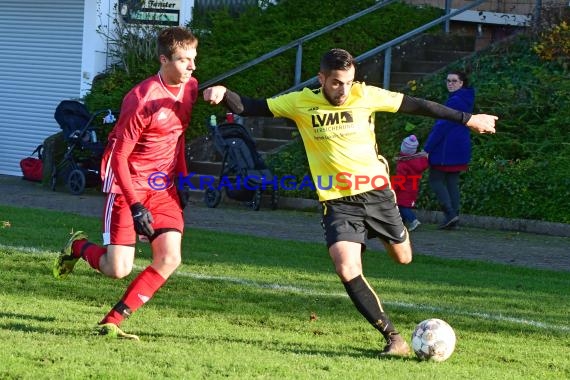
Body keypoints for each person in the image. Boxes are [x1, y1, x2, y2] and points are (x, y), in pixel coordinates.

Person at [203, 48, 497, 357]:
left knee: (403, 258)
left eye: (348, 82)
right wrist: (224, 93)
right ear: (321, 78)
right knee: (346, 267)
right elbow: (250, 107)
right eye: (336, 83)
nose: (343, 90)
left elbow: (417, 105)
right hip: (338, 200)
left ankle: (383, 226)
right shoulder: (301, 102)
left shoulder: (365, 94)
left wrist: (467, 119)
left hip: (377, 194)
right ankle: (393, 338)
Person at [52, 26, 198, 340]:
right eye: (184, 60)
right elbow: (119, 157)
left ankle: (111, 321)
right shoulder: (140, 99)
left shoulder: (191, 88)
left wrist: (182, 179)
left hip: (164, 187)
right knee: (116, 269)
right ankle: (77, 246)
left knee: (170, 258)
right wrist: (134, 205)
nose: (191, 67)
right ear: (163, 59)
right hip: (127, 184)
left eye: (193, 59)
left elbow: (178, 135)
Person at [424, 71, 475, 229]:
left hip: (446, 149)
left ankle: (450, 214)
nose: (450, 83)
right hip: (460, 147)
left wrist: (427, 149)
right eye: (448, 81)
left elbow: (441, 127)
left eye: (454, 81)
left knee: (435, 180)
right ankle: (454, 218)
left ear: (461, 83)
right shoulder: (466, 99)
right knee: (452, 182)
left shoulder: (454, 101)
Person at [394, 135, 429, 232]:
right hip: (413, 187)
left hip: (404, 189)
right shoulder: (418, 160)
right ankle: (402, 223)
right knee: (404, 205)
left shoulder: (403, 164)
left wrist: (393, 188)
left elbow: (400, 179)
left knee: (402, 206)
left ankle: (413, 220)